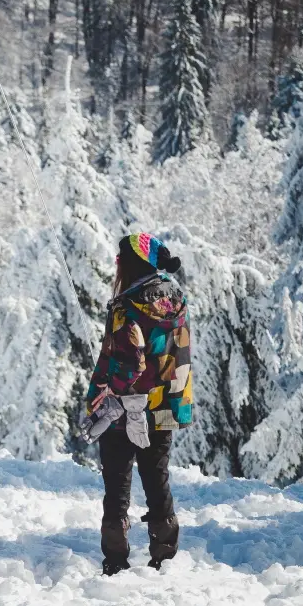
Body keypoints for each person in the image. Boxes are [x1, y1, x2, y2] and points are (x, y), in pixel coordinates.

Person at [85, 233, 192, 576]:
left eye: (120, 259)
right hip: (165, 402)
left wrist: (108, 393)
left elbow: (131, 363)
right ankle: (165, 553)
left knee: (117, 481)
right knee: (156, 475)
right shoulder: (175, 298)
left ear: (131, 264)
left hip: (124, 408)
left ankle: (116, 558)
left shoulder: (127, 305)